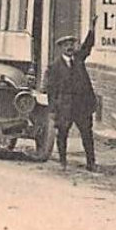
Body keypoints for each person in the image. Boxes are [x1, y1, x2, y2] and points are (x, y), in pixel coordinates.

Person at [43, 25, 98, 171]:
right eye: (66, 45)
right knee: (62, 134)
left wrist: (92, 31)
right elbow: (51, 90)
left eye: (71, 44)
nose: (69, 47)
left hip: (81, 105)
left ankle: (91, 162)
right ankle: (62, 161)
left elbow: (87, 47)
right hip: (65, 107)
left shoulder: (79, 59)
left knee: (87, 134)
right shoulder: (54, 66)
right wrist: (53, 110)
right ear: (60, 48)